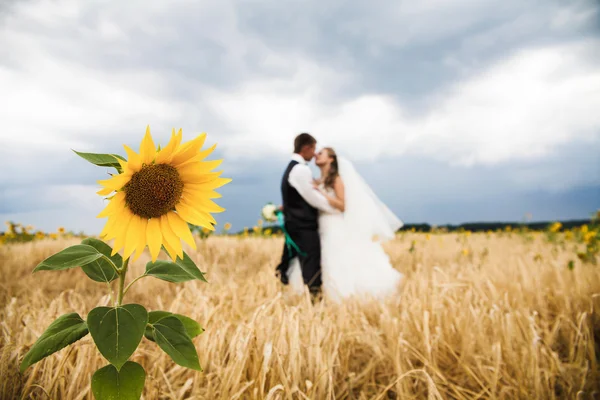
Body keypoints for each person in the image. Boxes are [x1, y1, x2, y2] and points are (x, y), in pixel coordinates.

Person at [286, 147, 404, 302]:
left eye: (321, 153)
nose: (316, 155)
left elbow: (343, 205)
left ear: (331, 159)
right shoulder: (318, 180)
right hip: (321, 225)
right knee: (322, 259)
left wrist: (321, 193)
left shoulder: (336, 179)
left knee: (337, 257)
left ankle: (342, 294)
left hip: (334, 224)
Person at [275, 134, 340, 298]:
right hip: (303, 226)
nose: (315, 154)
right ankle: (315, 300)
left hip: (296, 224)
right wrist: (336, 211)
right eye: (314, 149)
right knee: (311, 265)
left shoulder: (293, 168)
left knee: (293, 261)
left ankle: (292, 289)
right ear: (306, 148)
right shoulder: (300, 169)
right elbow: (313, 198)